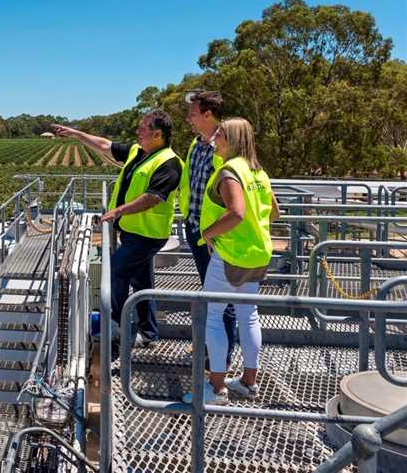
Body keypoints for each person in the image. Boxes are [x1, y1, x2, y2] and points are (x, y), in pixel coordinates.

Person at [53, 110, 182, 347]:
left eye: (143, 128)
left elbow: (153, 197)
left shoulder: (170, 163)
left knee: (116, 272)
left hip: (148, 234)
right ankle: (149, 334)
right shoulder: (138, 151)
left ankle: (113, 325)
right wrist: (76, 134)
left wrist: (118, 211)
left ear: (157, 134)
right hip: (133, 231)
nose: (138, 131)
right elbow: (104, 145)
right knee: (142, 283)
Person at [182, 117, 280, 405]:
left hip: (230, 255)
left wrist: (208, 234)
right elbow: (274, 212)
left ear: (234, 140)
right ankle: (249, 382)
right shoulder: (257, 171)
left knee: (213, 317)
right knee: (248, 315)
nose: (216, 139)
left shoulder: (229, 171)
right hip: (258, 253)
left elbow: (236, 212)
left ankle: (216, 388)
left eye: (221, 135)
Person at [181, 91, 236, 369]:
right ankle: (211, 348)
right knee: (207, 291)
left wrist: (216, 232)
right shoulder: (195, 144)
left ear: (208, 114)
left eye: (193, 113)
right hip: (196, 229)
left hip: (217, 236)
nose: (189, 118)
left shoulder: (227, 145)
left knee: (220, 299)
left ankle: (220, 361)